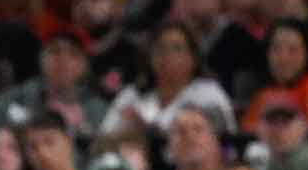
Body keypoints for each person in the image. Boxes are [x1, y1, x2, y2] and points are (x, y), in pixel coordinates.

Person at [99, 20, 235, 138]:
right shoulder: (131, 95)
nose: (167, 55)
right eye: (160, 48)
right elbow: (103, 138)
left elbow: (223, 142)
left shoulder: (208, 94)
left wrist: (146, 132)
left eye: (176, 48)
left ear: (193, 58)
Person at [241, 20, 308, 136]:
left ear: (306, 54)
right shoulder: (263, 96)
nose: (283, 59)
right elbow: (248, 134)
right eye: (276, 49)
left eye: (293, 50)